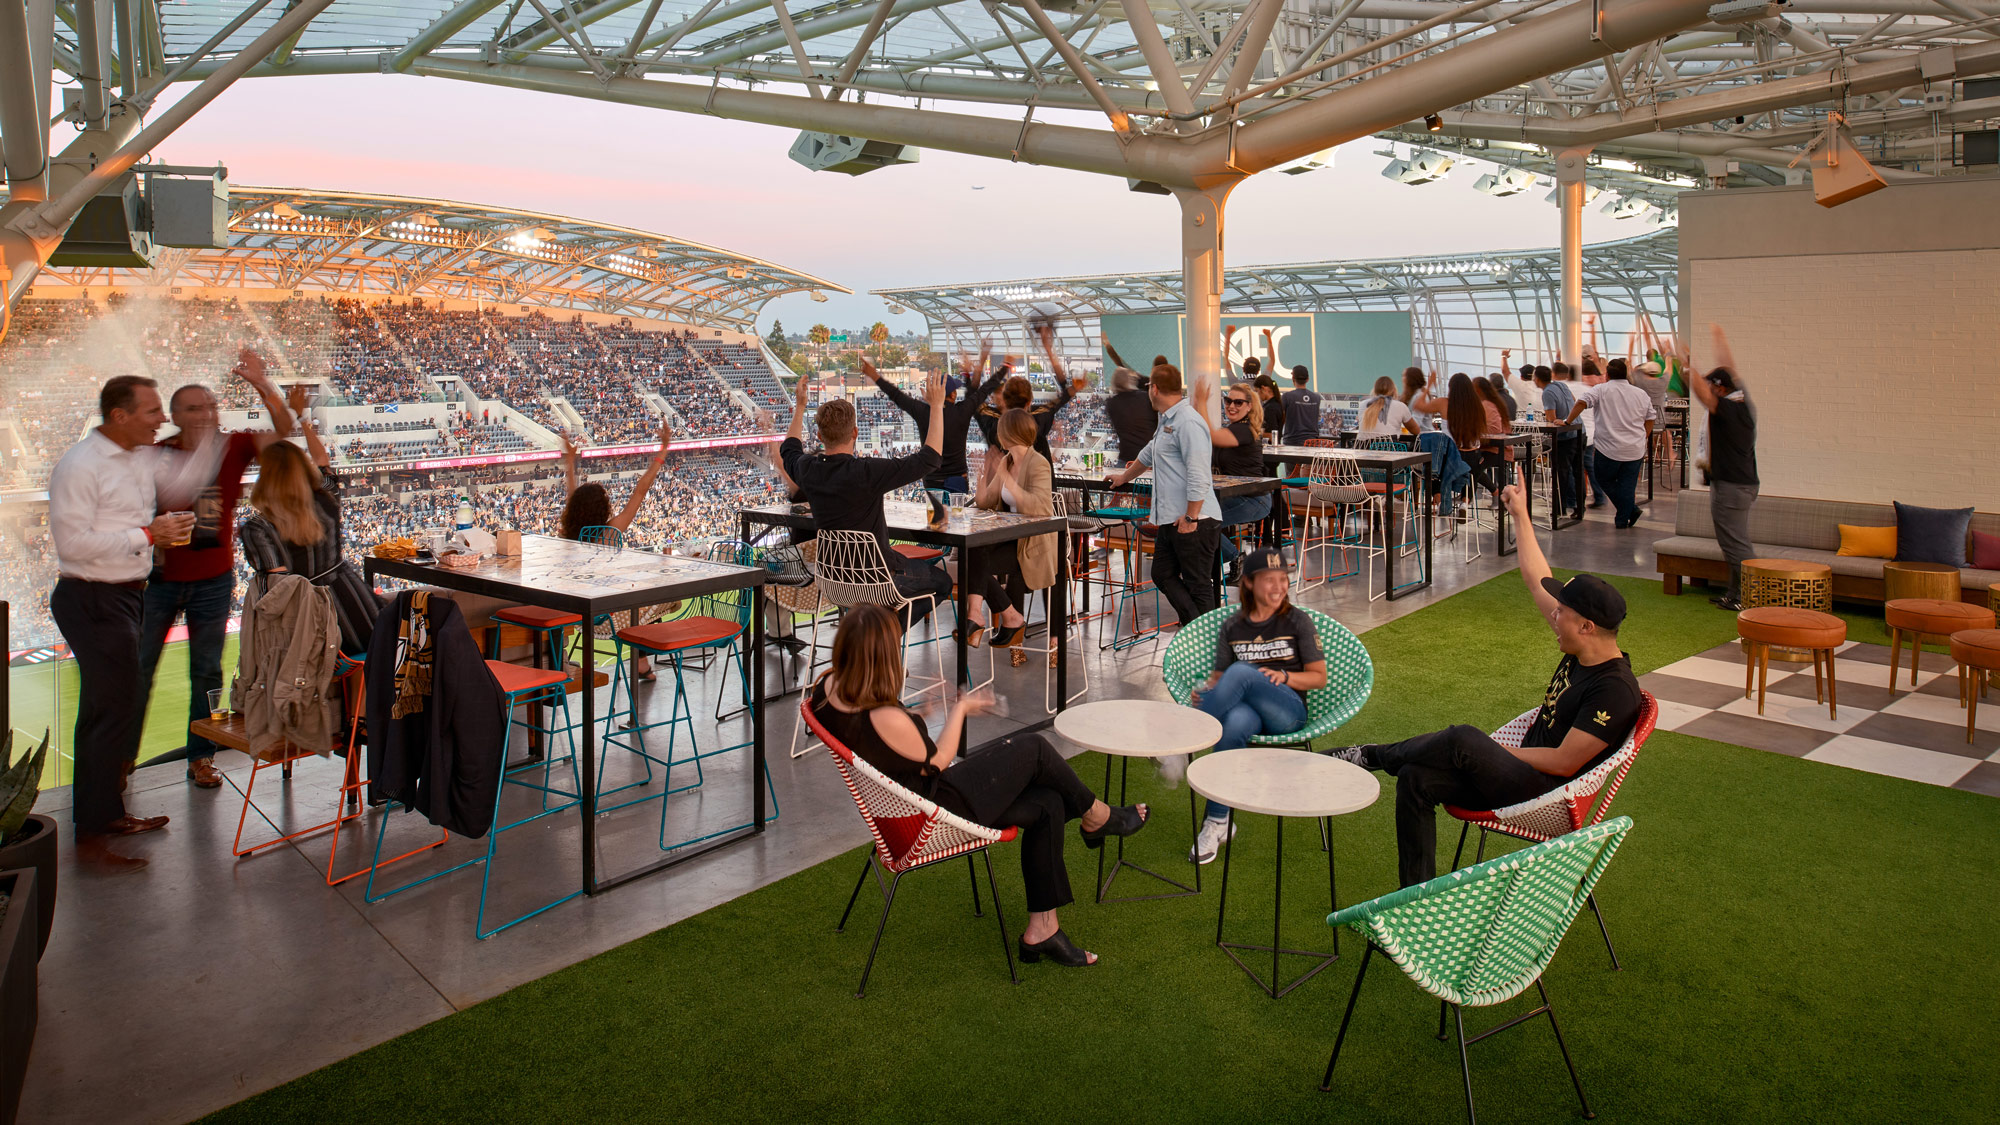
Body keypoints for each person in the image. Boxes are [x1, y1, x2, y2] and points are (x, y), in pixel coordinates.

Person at [1328, 483, 1642, 888]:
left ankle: (1369, 755)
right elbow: (1537, 580)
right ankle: (1415, 896)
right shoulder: (1585, 645)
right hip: (1516, 774)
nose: (1554, 615)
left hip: (1547, 793)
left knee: (1463, 739)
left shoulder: (1614, 690)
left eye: (1561, 612)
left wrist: (1494, 751)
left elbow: (1566, 763)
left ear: (1587, 625)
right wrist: (1520, 514)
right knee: (1414, 778)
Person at [809, 604, 1147, 966]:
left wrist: (919, 715)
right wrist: (960, 709)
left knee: (1048, 802)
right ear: (881, 657)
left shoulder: (827, 688)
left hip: (901, 809)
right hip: (934, 814)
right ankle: (1097, 815)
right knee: (1034, 749)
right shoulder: (885, 717)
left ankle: (1042, 930)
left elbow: (882, 744)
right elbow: (937, 761)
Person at [49, 376, 192, 873]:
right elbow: (73, 546)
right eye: (152, 411)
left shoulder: (136, 457)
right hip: (92, 598)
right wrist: (149, 533)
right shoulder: (81, 466)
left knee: (107, 712)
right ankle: (93, 834)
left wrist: (153, 538)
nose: (161, 419)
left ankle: (104, 816)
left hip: (126, 597)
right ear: (119, 416)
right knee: (111, 714)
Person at [142, 348, 293, 789]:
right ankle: (118, 768)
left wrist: (262, 384)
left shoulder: (233, 445)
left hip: (212, 580)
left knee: (206, 671)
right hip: (159, 581)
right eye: (194, 407)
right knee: (139, 669)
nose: (206, 413)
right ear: (174, 415)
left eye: (210, 405)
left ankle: (201, 758)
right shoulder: (155, 454)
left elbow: (284, 432)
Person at [783, 365, 954, 628]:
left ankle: (873, 638)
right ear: (855, 433)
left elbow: (789, 449)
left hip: (833, 583)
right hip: (877, 581)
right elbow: (930, 458)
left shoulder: (808, 469)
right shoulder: (867, 472)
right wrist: (936, 406)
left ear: (819, 435)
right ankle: (883, 637)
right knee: (943, 583)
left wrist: (800, 405)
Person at [1186, 548, 1326, 864]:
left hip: (1288, 712)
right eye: (1269, 580)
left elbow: (1319, 678)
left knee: (1243, 672)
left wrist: (1284, 676)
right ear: (1248, 583)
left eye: (1283, 580)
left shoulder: (1297, 621)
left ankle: (1184, 742)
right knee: (1232, 724)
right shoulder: (1233, 627)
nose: (1278, 587)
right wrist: (1205, 693)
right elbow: (1219, 678)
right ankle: (1217, 822)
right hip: (1249, 713)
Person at [238, 386, 384, 656]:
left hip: (313, 630)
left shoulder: (257, 529)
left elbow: (279, 591)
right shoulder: (326, 499)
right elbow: (322, 461)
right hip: (359, 609)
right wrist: (303, 418)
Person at [1105, 363, 1217, 629]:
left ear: (1154, 389)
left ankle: (1209, 647)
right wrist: (1123, 477)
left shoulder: (1188, 422)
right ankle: (1196, 629)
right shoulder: (1167, 419)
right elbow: (1148, 453)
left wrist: (1191, 516)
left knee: (1198, 585)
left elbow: (1199, 474)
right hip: (1171, 518)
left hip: (1193, 520)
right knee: (1162, 573)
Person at [964, 408, 1056, 657]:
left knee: (975, 561)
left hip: (1032, 546)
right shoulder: (1007, 461)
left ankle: (989, 617)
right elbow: (985, 502)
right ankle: (993, 615)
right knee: (972, 551)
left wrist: (1007, 479)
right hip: (1009, 541)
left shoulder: (1039, 464)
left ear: (1008, 434)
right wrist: (982, 477)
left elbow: (1039, 508)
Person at [873, 340, 1004, 493]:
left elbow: (896, 395)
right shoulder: (963, 410)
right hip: (958, 479)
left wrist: (874, 376)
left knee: (935, 516)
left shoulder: (922, 411)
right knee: (957, 515)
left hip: (931, 480)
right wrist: (1003, 367)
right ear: (953, 394)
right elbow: (985, 389)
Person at [1693, 325, 1758, 611]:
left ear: (1720, 389)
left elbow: (1703, 395)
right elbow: (1731, 370)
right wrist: (1720, 338)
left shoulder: (1729, 410)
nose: (1709, 390)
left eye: (1712, 385)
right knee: (1734, 542)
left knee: (1735, 545)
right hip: (1741, 484)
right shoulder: (1742, 401)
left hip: (1730, 487)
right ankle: (1735, 594)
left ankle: (1747, 596)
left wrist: (1686, 366)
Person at [1189, 372, 1272, 576]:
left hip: (1253, 499)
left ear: (1249, 406)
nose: (1231, 406)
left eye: (1238, 402)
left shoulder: (1245, 430)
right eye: (1228, 401)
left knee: (1202, 521)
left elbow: (1211, 435)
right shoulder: (1234, 428)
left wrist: (1200, 401)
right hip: (1234, 495)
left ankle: (1235, 558)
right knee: (1196, 517)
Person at [1563, 357, 1656, 530]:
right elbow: (1651, 417)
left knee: (1603, 479)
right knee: (1628, 485)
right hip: (1635, 449)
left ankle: (1630, 511)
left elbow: (1581, 402)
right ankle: (1624, 517)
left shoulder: (1600, 390)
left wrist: (1568, 421)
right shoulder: (1640, 393)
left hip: (1609, 449)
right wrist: (1644, 436)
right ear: (1625, 374)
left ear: (1606, 375)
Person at [976, 326, 1075, 466]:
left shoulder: (992, 419)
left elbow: (973, 395)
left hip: (1005, 483)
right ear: (1029, 401)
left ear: (1005, 399)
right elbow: (1066, 393)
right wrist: (1048, 349)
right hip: (1040, 483)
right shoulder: (1038, 416)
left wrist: (985, 358)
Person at [1537, 365, 1583, 519]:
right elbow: (1574, 401)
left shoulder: (1547, 392)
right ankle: (1579, 507)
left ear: (1536, 379)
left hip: (1566, 437)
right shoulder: (1561, 385)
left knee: (1561, 473)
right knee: (1578, 471)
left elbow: (1551, 417)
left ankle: (1559, 508)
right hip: (1580, 432)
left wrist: (1557, 419)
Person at [1101, 335, 1156, 464]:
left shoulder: (1111, 404)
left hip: (1126, 458)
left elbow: (1121, 365)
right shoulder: (1146, 397)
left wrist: (1108, 346)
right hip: (1149, 457)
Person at [1279, 365, 1323, 445]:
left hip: (1292, 442)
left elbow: (1280, 417)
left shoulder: (1287, 396)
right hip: (1312, 442)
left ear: (1293, 379)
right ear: (1307, 379)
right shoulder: (1317, 398)